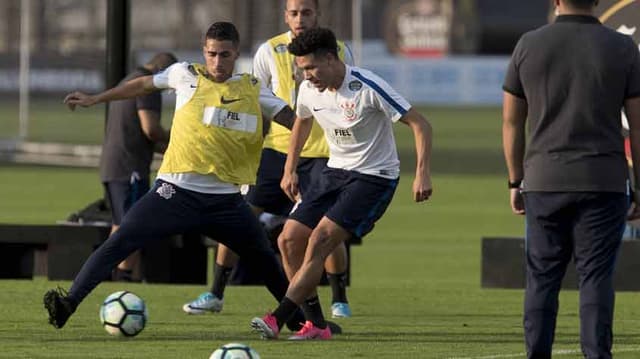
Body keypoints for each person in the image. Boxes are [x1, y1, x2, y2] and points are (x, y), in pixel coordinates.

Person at [43, 21, 308, 333]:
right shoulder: (185, 74)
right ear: (203, 51)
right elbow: (142, 85)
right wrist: (96, 99)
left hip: (225, 201)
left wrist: (301, 154)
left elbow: (297, 121)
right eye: (212, 54)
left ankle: (300, 322)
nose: (217, 62)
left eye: (225, 55)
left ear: (236, 53)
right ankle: (68, 304)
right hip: (174, 193)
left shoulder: (252, 88)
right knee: (120, 241)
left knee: (265, 259)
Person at [250, 27, 433, 340]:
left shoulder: (367, 86)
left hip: (373, 177)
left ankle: (277, 318)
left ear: (332, 58)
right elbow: (302, 123)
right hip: (333, 172)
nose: (306, 75)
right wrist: (289, 168)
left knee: (319, 240)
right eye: (301, 69)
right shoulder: (308, 89)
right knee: (288, 240)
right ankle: (317, 325)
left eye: (310, 67)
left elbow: (420, 124)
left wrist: (422, 172)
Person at [183, 0, 355, 319]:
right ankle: (216, 292)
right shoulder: (269, 51)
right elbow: (257, 102)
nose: (300, 18)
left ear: (318, 14)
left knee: (324, 226)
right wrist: (248, 149)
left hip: (321, 153)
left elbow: (347, 99)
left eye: (306, 12)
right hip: (276, 151)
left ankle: (339, 298)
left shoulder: (339, 50)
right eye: (294, 13)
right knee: (239, 215)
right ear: (285, 16)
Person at [502, 0, 640, 357]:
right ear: (596, 2)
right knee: (596, 280)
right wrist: (638, 186)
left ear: (555, 1)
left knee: (542, 281)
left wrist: (515, 182)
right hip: (604, 180)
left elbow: (512, 122)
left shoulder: (528, 45)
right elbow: (637, 126)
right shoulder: (623, 47)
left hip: (544, 180)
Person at [103, 52, 176, 282]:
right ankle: (123, 276)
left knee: (120, 223)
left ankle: (110, 273)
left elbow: (136, 134)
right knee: (134, 224)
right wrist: (176, 139)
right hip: (130, 167)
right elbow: (150, 129)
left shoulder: (128, 81)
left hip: (112, 165)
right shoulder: (147, 87)